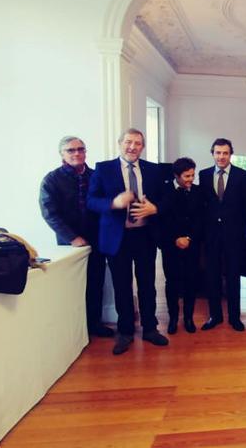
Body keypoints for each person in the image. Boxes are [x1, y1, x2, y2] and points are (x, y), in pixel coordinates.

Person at [87, 128, 171, 355]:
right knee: (122, 285)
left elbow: (167, 199)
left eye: (137, 143)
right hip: (117, 238)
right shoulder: (103, 169)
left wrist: (155, 208)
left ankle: (150, 328)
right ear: (119, 143)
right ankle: (124, 331)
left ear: (142, 147)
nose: (132, 147)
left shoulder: (153, 170)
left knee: (147, 284)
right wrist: (114, 203)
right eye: (128, 142)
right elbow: (91, 201)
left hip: (145, 236)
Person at [39, 136, 114, 338]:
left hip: (96, 238)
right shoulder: (52, 180)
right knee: (73, 285)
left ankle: (94, 324)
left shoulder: (95, 175)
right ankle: (74, 329)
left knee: (95, 282)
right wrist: (72, 238)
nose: (77, 153)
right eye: (71, 150)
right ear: (62, 154)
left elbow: (104, 203)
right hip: (69, 243)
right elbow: (49, 213)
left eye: (80, 149)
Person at [198, 138, 246, 332]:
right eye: (218, 153)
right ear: (212, 153)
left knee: (233, 276)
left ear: (231, 154)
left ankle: (234, 317)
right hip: (211, 235)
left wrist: (236, 225)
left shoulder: (242, 176)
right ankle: (215, 316)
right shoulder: (204, 175)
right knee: (212, 275)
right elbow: (204, 205)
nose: (221, 157)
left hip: (234, 235)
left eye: (225, 153)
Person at [160, 157, 203, 335]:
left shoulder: (198, 192)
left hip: (191, 244)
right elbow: (161, 219)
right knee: (172, 282)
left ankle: (188, 318)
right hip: (171, 245)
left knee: (191, 281)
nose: (190, 179)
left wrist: (189, 238)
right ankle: (173, 318)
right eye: (186, 176)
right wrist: (175, 239)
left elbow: (201, 219)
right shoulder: (164, 191)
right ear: (176, 176)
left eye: (193, 175)